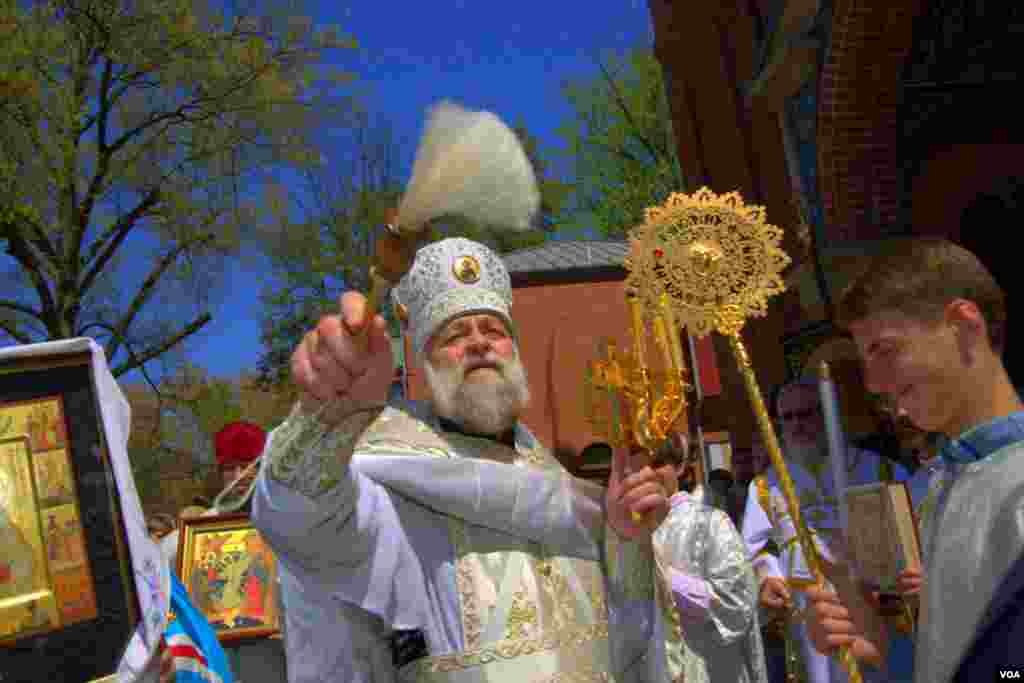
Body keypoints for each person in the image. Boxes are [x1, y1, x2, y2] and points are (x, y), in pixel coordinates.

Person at [251, 237, 680, 682]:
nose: (479, 343)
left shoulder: (563, 489)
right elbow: (297, 519)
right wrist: (329, 416)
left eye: (494, 330)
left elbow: (627, 640)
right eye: (455, 335)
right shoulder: (391, 483)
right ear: (425, 365)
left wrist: (626, 542)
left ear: (514, 350)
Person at [804, 237, 1024, 682]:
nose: (872, 383)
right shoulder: (943, 481)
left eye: (883, 349)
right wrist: (883, 648)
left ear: (963, 326)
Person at [741, 377, 907, 683]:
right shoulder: (765, 486)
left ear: (828, 412)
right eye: (788, 417)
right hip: (810, 615)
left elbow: (912, 538)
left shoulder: (880, 470)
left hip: (874, 608)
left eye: (806, 413)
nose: (797, 424)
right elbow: (754, 550)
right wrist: (768, 575)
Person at [161, 421, 288, 683]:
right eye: (230, 468)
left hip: (277, 661)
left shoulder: (288, 528)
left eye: (248, 465)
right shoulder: (186, 540)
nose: (239, 475)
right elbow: (161, 600)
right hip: (218, 664)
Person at [654, 451, 768, 682]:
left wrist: (667, 581)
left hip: (708, 669)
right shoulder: (621, 537)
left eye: (656, 463)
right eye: (637, 465)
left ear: (678, 467)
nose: (647, 473)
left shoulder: (710, 522)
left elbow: (736, 602)